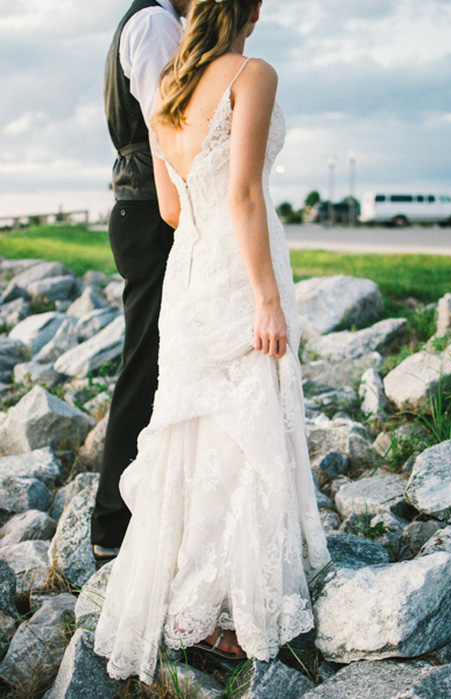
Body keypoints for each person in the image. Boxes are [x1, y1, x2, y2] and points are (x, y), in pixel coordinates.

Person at [94, 0, 330, 682]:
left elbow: (172, 207)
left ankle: (190, 596)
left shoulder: (168, 88)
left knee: (196, 433)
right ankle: (233, 608)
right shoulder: (253, 72)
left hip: (190, 274)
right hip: (238, 267)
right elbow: (246, 195)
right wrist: (264, 296)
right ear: (248, 9)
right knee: (249, 425)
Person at [91, 0, 189, 566]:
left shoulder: (160, 20)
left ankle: (145, 503)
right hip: (150, 208)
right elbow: (164, 125)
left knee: (158, 357)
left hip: (148, 206)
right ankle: (112, 524)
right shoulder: (154, 23)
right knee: (145, 360)